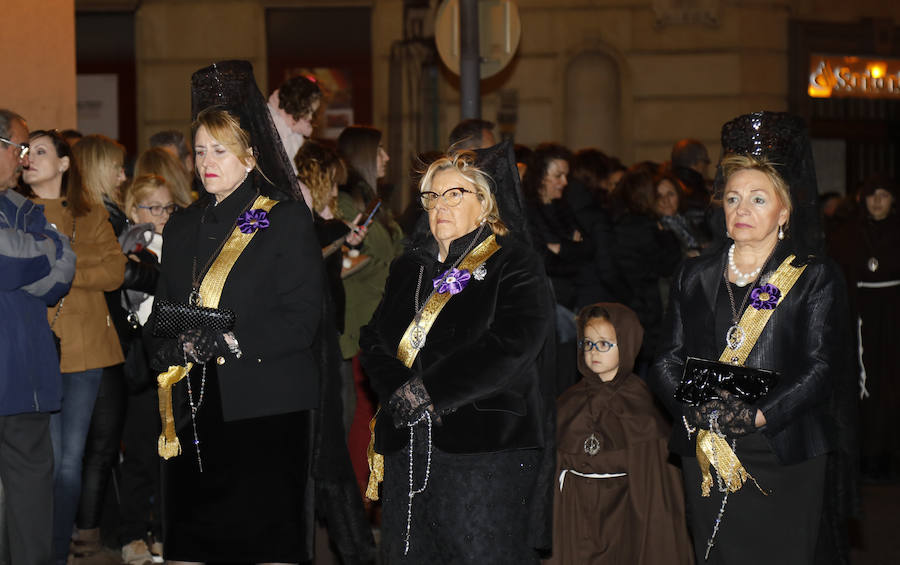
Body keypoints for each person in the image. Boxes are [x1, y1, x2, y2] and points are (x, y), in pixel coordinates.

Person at [148, 60, 372, 564]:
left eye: (219, 150)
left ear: (250, 157)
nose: (207, 161)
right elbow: (164, 309)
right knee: (190, 546)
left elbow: (301, 319)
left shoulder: (284, 218)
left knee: (265, 547)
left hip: (266, 412)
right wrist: (179, 342)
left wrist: (226, 337)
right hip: (192, 413)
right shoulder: (182, 226)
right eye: (200, 150)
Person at [649, 112, 853, 564]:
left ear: (785, 211)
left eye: (758, 199)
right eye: (733, 198)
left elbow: (821, 368)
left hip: (782, 447)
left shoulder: (813, 277)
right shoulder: (694, 274)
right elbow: (665, 360)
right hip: (708, 442)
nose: (742, 210)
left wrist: (758, 416)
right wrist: (696, 410)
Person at [359, 144, 556, 563]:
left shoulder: (514, 263)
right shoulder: (408, 267)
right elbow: (373, 339)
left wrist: (429, 391)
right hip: (408, 444)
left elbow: (513, 342)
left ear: (484, 204)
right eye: (432, 196)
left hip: (483, 450)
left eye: (454, 195)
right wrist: (399, 391)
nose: (439, 206)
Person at [18, 129, 127, 565]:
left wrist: (58, 265)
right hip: (29, 350)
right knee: (39, 462)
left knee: (69, 461)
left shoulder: (89, 213)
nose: (29, 158)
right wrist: (73, 262)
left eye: (41, 151)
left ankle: (57, 551)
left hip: (85, 350)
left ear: (65, 164)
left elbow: (115, 272)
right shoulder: (14, 213)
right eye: (25, 151)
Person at [550, 303, 693, 565]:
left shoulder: (645, 408)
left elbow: (656, 499)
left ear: (626, 344)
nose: (594, 352)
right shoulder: (566, 403)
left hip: (625, 519)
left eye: (604, 344)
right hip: (574, 517)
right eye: (588, 343)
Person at [0, 109, 76, 565]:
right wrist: (43, 251)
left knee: (30, 511)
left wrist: (41, 252)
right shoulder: (31, 220)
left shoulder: (27, 210)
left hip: (25, 376)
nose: (25, 159)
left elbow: (60, 275)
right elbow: (24, 262)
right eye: (20, 148)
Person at [337, 125, 404, 494]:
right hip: (360, 323)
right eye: (379, 151)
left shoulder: (373, 203)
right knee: (363, 415)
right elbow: (348, 262)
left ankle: (371, 492)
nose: (387, 158)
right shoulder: (345, 204)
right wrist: (396, 270)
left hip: (381, 321)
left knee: (375, 413)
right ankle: (361, 495)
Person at [829, 175, 900, 480]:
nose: (878, 201)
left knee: (893, 380)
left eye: (884, 195)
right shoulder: (847, 234)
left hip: (895, 313)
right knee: (865, 381)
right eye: (872, 195)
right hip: (861, 315)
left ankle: (893, 453)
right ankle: (868, 454)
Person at [116, 174, 172, 563]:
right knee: (138, 452)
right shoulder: (132, 243)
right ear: (133, 209)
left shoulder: (182, 242)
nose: (162, 215)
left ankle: (167, 532)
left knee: (171, 453)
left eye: (167, 206)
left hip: (173, 360)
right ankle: (134, 533)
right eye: (153, 207)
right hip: (140, 361)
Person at [268, 73, 322, 208]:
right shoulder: (273, 126)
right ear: (297, 104)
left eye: (313, 111)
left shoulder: (294, 128)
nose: (310, 116)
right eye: (308, 110)